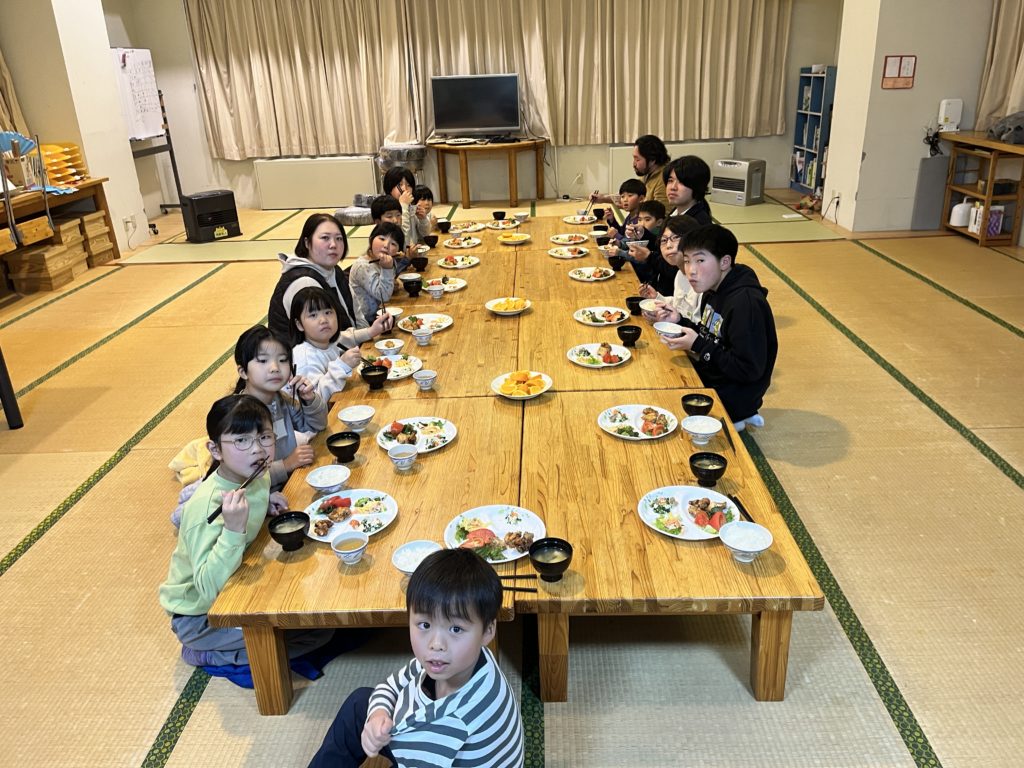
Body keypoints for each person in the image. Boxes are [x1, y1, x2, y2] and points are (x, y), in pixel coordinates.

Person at [159, 394, 334, 666]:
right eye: (241, 440)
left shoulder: (255, 473)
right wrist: (232, 529)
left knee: (319, 617)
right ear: (215, 450)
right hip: (201, 616)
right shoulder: (206, 507)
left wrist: (265, 502)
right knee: (309, 633)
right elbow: (207, 589)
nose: (258, 450)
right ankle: (208, 654)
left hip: (237, 580)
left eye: (264, 437)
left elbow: (255, 493)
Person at [307, 549, 524, 768]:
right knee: (360, 704)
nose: (436, 644)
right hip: (422, 742)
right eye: (425, 625)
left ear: (488, 631)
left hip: (428, 754)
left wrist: (378, 729)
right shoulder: (466, 659)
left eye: (456, 629)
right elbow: (392, 685)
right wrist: (378, 714)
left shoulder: (451, 725)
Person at [657, 225, 777, 430]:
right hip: (714, 378)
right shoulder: (713, 289)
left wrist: (698, 345)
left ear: (724, 262)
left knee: (660, 405)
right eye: (687, 261)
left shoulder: (745, 304)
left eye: (700, 260)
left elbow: (748, 370)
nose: (691, 270)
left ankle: (739, 417)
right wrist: (679, 321)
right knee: (660, 371)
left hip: (732, 395)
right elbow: (711, 335)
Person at [268, 213, 392, 346]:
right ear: (307, 242)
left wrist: (369, 335)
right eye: (325, 238)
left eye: (339, 238)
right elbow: (322, 338)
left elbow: (356, 313)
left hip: (343, 349)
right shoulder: (304, 283)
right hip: (309, 357)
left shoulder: (333, 270)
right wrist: (368, 332)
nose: (333, 244)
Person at [233, 325, 328, 488]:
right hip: (260, 496)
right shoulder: (237, 416)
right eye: (263, 361)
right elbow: (241, 479)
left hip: (291, 481)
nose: (275, 368)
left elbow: (318, 425)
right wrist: (286, 465)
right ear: (243, 372)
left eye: (283, 360)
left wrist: (309, 399)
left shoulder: (281, 400)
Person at [290, 286, 362, 404]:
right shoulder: (304, 358)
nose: (323, 320)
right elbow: (316, 401)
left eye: (328, 312)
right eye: (313, 315)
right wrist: (342, 366)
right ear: (299, 325)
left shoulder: (329, 344)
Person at [639, 214, 703, 323]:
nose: (668, 245)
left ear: (694, 239)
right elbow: (679, 307)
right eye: (664, 240)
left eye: (676, 237)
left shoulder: (704, 280)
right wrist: (657, 298)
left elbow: (697, 325)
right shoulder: (680, 275)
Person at [591, 134, 670, 209]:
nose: (634, 164)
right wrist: (603, 198)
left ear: (652, 160)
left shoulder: (663, 180)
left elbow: (661, 214)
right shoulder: (647, 173)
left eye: (637, 159)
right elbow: (630, 194)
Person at [349, 222, 401, 325]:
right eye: (382, 239)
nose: (386, 245)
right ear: (371, 239)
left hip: (378, 315)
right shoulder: (363, 266)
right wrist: (387, 269)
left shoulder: (387, 261)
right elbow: (384, 296)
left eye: (393, 244)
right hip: (364, 323)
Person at [663, 155, 713, 223]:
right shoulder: (677, 212)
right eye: (670, 181)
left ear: (696, 186)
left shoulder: (698, 223)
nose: (673, 187)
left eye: (681, 182)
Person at [603, 178, 646, 245]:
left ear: (641, 199)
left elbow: (631, 244)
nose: (625, 200)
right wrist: (612, 220)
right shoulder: (631, 216)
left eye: (630, 195)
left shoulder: (640, 221)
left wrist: (616, 235)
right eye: (622, 196)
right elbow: (622, 232)